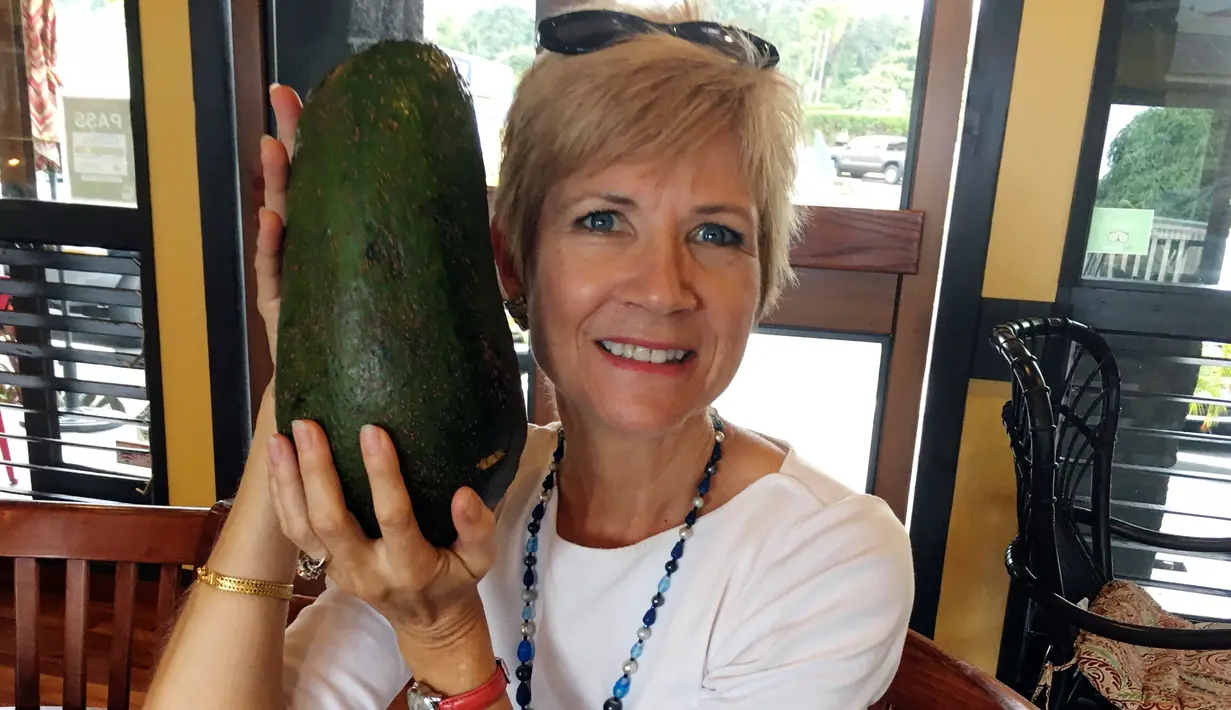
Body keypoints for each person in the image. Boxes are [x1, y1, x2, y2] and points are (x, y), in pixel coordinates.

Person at [145, 4, 913, 709]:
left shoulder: (829, 556)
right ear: (510, 264)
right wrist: (304, 379)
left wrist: (447, 640)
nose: (663, 288)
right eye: (603, 219)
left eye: (716, 233)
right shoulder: (463, 495)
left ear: (763, 276)